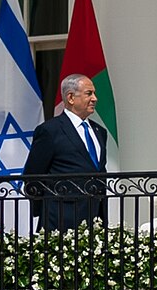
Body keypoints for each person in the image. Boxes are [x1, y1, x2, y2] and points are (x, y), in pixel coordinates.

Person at [21, 74, 109, 232]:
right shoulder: (50, 130)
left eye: (94, 93)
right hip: (61, 218)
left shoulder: (99, 131)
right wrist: (48, 208)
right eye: (89, 93)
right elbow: (33, 175)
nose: (95, 98)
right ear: (71, 97)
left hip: (95, 216)